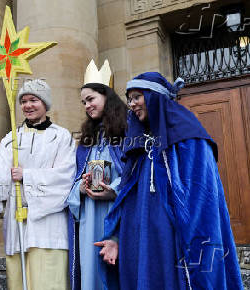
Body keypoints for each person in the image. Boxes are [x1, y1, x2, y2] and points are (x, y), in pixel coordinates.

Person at [95, 72, 243, 289]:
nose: (132, 104)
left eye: (137, 97)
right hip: (142, 240)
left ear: (154, 96)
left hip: (173, 239)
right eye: (129, 99)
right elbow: (128, 196)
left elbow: (203, 198)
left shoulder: (188, 136)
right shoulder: (139, 143)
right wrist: (116, 237)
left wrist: (192, 243)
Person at [0, 79, 76, 290]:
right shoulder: (12, 138)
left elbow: (65, 177)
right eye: (23, 101)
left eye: (34, 100)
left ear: (45, 103)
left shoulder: (61, 136)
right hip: (16, 225)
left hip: (47, 227)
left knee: (48, 283)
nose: (27, 105)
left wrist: (26, 176)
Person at [66, 66, 126, 290]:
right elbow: (73, 184)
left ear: (107, 96)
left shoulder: (127, 132)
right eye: (83, 103)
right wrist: (80, 189)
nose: (87, 106)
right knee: (91, 274)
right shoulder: (86, 141)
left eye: (91, 99)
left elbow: (135, 173)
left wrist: (115, 189)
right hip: (89, 218)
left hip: (118, 216)